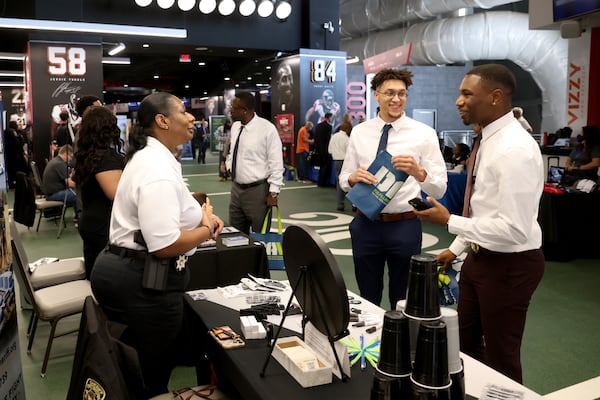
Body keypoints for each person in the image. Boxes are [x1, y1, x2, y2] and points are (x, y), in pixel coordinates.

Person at [414, 64, 545, 383]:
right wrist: (456, 248)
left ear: (496, 98)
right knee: (467, 347)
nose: (458, 101)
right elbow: (484, 207)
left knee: (501, 358)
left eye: (467, 94)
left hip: (509, 266)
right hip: (480, 257)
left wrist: (449, 221)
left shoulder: (514, 148)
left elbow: (515, 228)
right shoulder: (489, 140)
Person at [90, 92, 224, 397]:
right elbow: (164, 245)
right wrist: (205, 228)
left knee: (139, 364)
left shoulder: (154, 158)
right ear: (162, 121)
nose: (192, 117)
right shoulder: (157, 169)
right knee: (151, 376)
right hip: (144, 284)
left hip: (129, 273)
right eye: (183, 111)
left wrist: (195, 213)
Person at [338, 68, 447, 308]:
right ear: (376, 96)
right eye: (389, 93)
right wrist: (353, 178)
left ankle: (401, 345)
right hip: (365, 225)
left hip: (404, 226)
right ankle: (371, 343)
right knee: (367, 296)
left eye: (402, 93)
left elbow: (439, 189)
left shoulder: (424, 134)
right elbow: (344, 179)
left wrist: (419, 173)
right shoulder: (360, 132)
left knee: (403, 299)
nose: (396, 99)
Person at [73, 106, 125, 278]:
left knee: (95, 274)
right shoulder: (106, 158)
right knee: (104, 278)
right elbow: (115, 192)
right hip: (103, 225)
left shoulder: (87, 155)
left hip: (91, 221)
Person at [225, 91, 284, 234]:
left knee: (260, 236)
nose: (230, 111)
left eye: (234, 108)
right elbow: (233, 151)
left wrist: (273, 193)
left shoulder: (267, 129)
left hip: (258, 192)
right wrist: (228, 165)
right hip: (236, 189)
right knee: (235, 234)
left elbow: (276, 163)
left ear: (245, 111)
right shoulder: (235, 127)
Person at [329, 120, 352, 210]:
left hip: (336, 161)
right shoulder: (347, 139)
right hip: (345, 161)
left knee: (339, 182)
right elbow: (350, 153)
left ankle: (340, 204)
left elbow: (329, 150)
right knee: (349, 182)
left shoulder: (334, 136)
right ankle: (353, 204)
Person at [314, 112, 334, 187]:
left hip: (319, 150)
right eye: (331, 117)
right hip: (325, 150)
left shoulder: (318, 126)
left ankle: (320, 182)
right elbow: (328, 140)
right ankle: (323, 183)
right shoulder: (329, 127)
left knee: (321, 166)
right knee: (325, 167)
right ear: (329, 117)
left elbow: (316, 139)